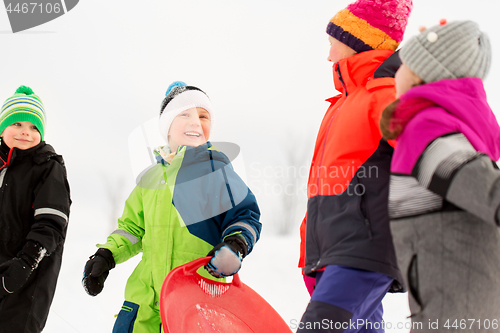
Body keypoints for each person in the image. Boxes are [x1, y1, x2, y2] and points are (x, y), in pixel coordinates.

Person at [82, 81, 261, 332]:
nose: (195, 122)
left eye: (203, 116)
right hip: (142, 303)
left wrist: (235, 245)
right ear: (167, 128)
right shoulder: (150, 179)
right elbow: (132, 229)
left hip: (195, 301)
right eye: (184, 115)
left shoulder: (215, 171)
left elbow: (245, 215)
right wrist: (107, 255)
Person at [297, 0, 412, 331]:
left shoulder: (384, 92)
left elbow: (425, 148)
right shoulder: (341, 104)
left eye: (332, 42)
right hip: (333, 250)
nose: (328, 55)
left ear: (356, 40)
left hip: (361, 248)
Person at [380, 20, 500, 332]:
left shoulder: (428, 127)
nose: (396, 73)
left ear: (421, 73)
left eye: (403, 64)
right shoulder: (448, 125)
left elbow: (489, 192)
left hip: (453, 313)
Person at [0, 86, 71, 333]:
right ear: (2, 128)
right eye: (17, 124)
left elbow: (51, 223)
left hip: (28, 278)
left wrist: (26, 263)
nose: (25, 133)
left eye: (33, 127)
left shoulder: (47, 167)